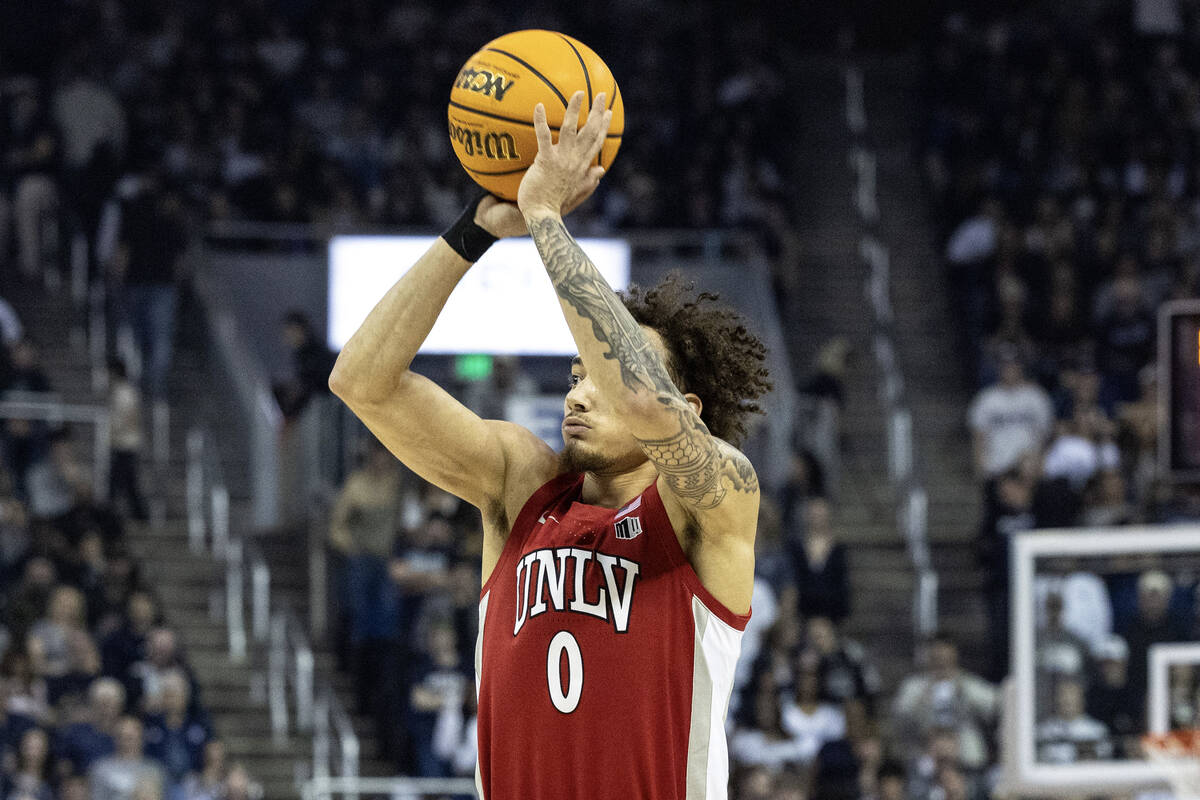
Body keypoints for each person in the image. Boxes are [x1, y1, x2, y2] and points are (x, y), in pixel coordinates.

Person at [330, 91, 771, 799]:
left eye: (596, 373)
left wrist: (545, 219)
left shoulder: (715, 502)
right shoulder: (521, 486)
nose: (578, 392)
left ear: (688, 408)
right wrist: (473, 230)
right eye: (574, 375)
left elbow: (638, 396)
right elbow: (361, 380)